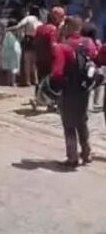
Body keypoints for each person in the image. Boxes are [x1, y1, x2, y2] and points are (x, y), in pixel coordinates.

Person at [41, 20, 93, 167]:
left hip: (69, 90)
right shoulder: (89, 43)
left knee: (69, 124)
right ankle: (87, 153)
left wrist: (52, 85)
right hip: (84, 89)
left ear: (67, 28)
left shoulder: (63, 47)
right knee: (82, 121)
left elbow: (57, 72)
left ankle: (72, 157)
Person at [9, 6, 41, 86]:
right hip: (37, 39)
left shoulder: (28, 18)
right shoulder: (39, 21)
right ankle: (36, 80)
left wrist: (8, 29)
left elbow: (19, 26)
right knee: (34, 62)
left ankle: (28, 80)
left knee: (27, 61)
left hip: (28, 39)